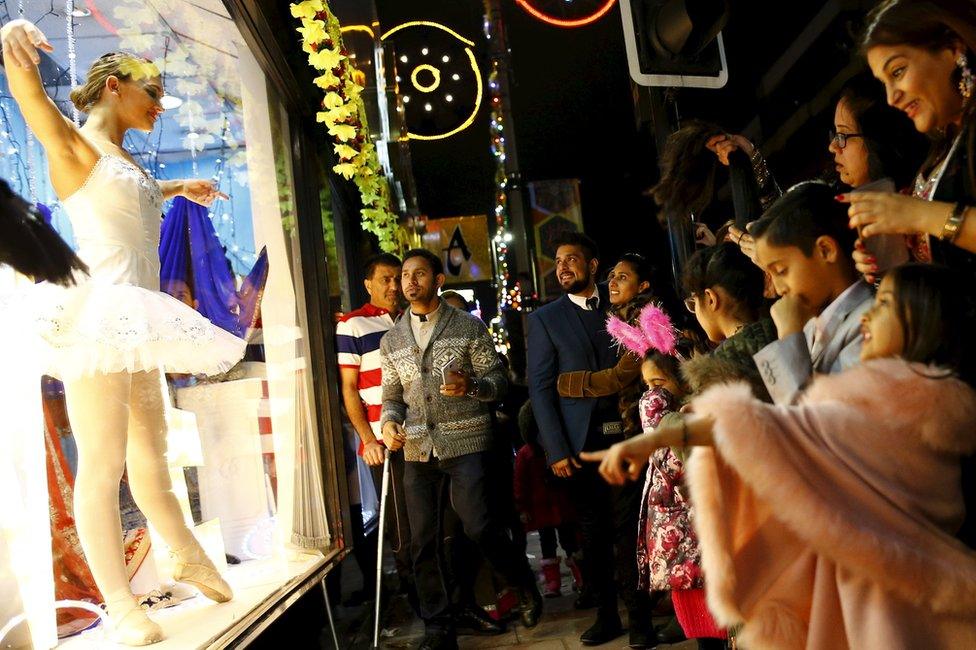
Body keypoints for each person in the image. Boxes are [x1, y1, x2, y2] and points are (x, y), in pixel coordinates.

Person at [0, 20, 244, 646]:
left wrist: (176, 186)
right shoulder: (74, 148)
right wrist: (13, 38)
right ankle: (120, 603)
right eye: (153, 93)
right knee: (103, 463)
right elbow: (30, 100)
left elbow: (125, 192)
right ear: (114, 87)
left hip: (134, 317)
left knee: (151, 451)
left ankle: (186, 554)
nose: (160, 106)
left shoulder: (121, 158)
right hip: (100, 318)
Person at [584, 263, 976, 648]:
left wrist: (789, 335)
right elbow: (779, 426)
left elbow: (790, 433)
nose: (869, 314)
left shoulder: (910, 403)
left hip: (889, 592)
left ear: (926, 321)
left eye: (885, 303)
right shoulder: (886, 390)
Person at [379, 249, 541, 650]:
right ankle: (438, 622)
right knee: (423, 539)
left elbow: (498, 380)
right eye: (404, 275)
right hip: (417, 447)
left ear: (438, 281)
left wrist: (473, 387)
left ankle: (522, 583)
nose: (410, 281)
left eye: (419, 274)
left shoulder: (467, 327)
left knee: (479, 525)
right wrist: (388, 422)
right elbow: (392, 395)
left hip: (466, 440)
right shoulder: (392, 339)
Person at [527, 233, 653, 647]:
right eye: (558, 261)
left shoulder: (621, 301)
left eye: (572, 259)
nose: (563, 267)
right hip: (579, 447)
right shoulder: (545, 318)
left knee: (629, 531)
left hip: (630, 434)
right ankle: (606, 616)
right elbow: (541, 389)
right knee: (593, 535)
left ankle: (641, 621)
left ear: (593, 265)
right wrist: (556, 450)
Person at [846, 0, 976, 278]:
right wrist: (898, 248)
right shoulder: (945, 146)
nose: (892, 98)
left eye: (898, 71)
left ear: (953, 49)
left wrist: (917, 215)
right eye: (884, 83)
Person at [335, 253, 416, 605]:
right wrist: (367, 440)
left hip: (422, 431)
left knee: (425, 513)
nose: (393, 285)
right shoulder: (352, 325)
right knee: (400, 519)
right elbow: (349, 388)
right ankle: (415, 593)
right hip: (382, 438)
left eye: (397, 278)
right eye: (385, 278)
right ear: (368, 284)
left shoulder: (411, 319)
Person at [750, 182, 872, 405]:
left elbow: (814, 424)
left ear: (825, 250)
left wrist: (788, 335)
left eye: (781, 271)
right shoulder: (807, 327)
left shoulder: (870, 321)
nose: (778, 289)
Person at [513, 400, 581, 598]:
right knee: (553, 543)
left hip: (556, 507)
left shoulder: (528, 453)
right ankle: (560, 580)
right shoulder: (529, 454)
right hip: (547, 508)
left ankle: (562, 580)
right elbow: (520, 483)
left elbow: (519, 483)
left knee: (566, 542)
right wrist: (522, 506)